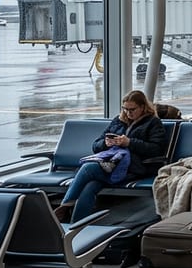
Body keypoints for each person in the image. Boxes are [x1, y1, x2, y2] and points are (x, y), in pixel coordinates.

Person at [54, 90, 169, 223]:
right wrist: (106, 143)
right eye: (125, 109)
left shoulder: (153, 123)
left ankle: (65, 206)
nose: (128, 113)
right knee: (91, 185)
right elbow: (96, 145)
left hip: (134, 168)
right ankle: (77, 224)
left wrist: (129, 143)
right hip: (112, 165)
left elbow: (156, 149)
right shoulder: (118, 121)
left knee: (88, 168)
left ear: (143, 107)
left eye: (132, 109)